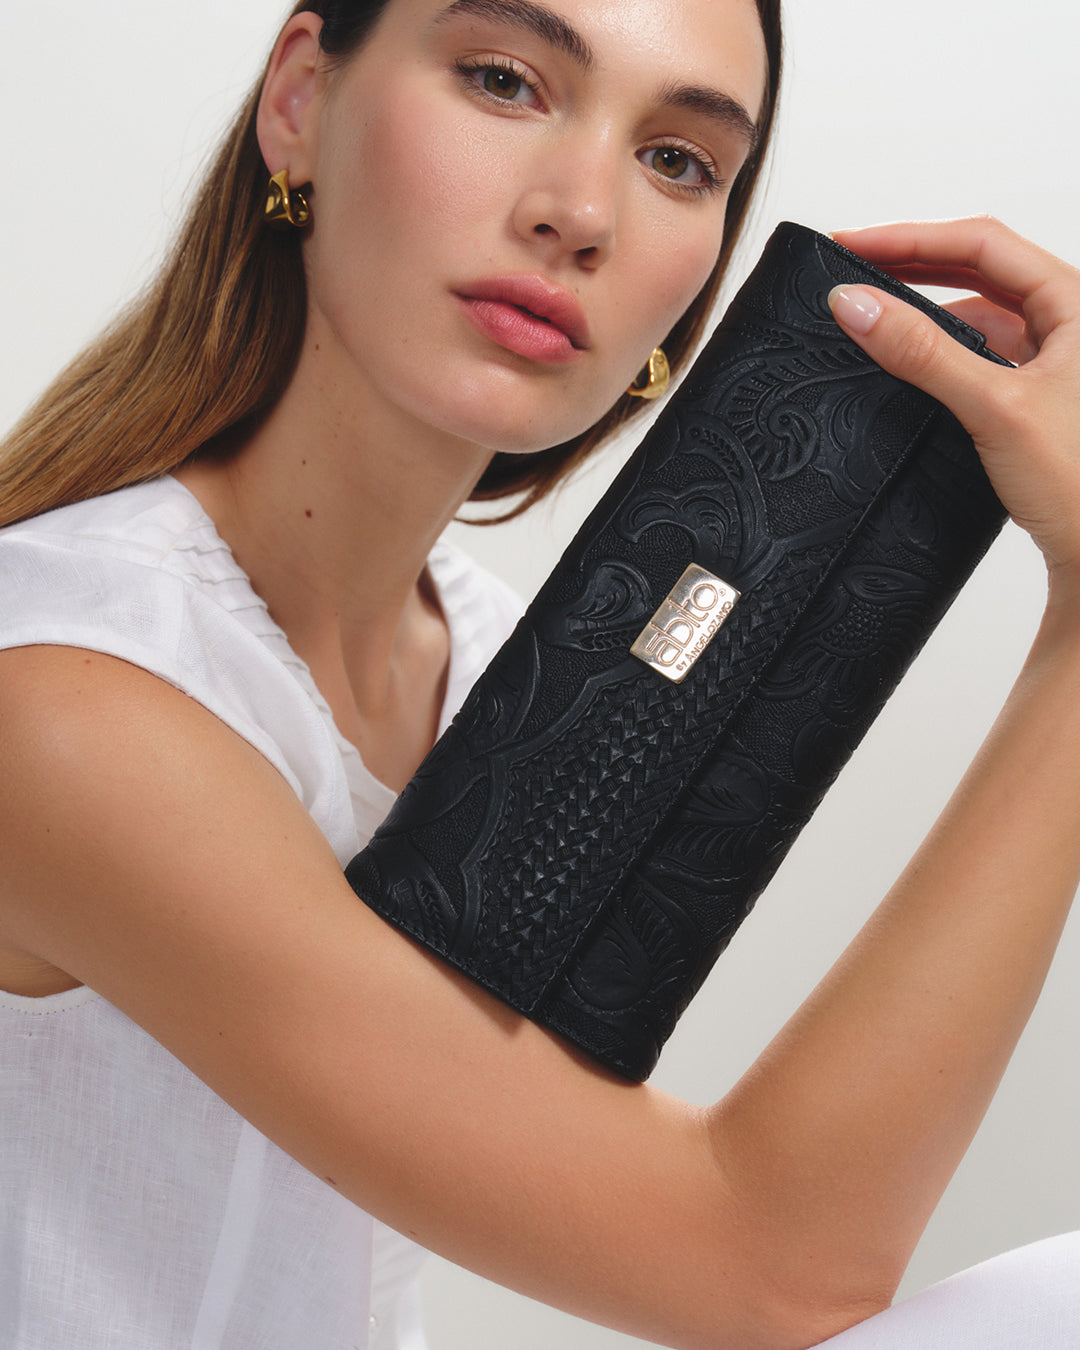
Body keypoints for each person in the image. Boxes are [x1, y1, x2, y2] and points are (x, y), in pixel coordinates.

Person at [0, 1, 1077, 1347]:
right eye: (505, 80)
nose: (583, 212)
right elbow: (772, 1268)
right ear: (300, 101)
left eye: (678, 160)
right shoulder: (70, 702)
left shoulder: (488, 659)